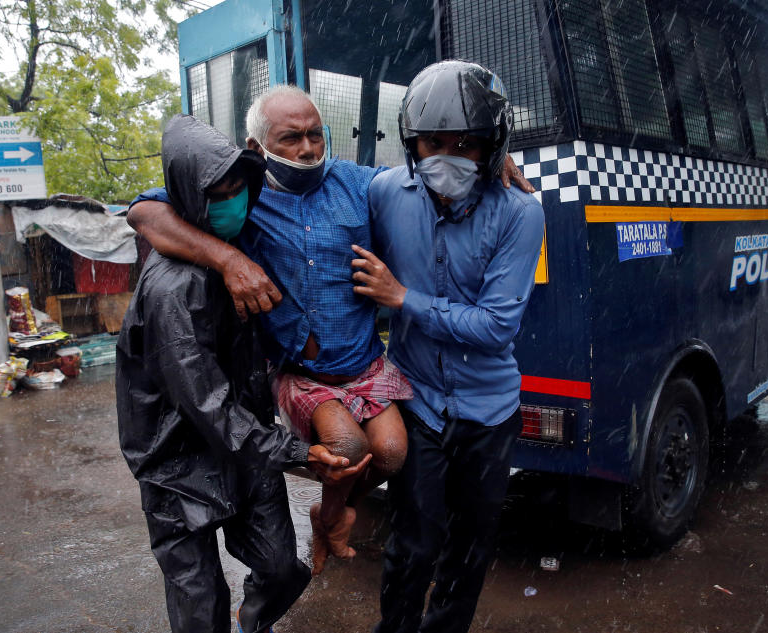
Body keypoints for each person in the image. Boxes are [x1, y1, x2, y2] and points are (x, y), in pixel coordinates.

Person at [127, 86, 417, 574]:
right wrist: (229, 258)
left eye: (315, 136)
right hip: (299, 369)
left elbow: (418, 185)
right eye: (291, 139)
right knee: (347, 449)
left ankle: (329, 514)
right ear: (257, 146)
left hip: (362, 362)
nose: (307, 149)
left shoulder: (359, 184)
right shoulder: (244, 195)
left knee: (391, 454)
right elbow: (143, 212)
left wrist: (490, 169)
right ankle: (332, 514)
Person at [116, 114, 368, 633]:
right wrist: (299, 453)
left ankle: (254, 624)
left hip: (246, 447)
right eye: (219, 192)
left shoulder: (246, 230)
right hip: (177, 459)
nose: (234, 201)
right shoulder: (173, 290)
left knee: (281, 570)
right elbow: (205, 404)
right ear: (188, 196)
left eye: (239, 187)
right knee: (199, 606)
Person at [351, 60, 546, 633]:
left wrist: (402, 297)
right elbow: (312, 196)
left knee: (471, 550)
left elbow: (495, 328)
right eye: (434, 143)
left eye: (468, 145)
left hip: (490, 411)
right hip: (418, 401)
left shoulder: (520, 212)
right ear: (412, 144)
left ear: (494, 145)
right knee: (413, 546)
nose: (448, 157)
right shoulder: (385, 191)